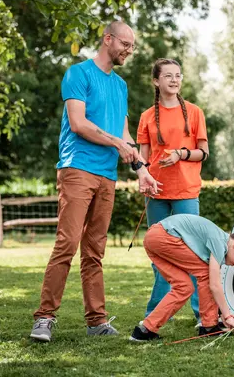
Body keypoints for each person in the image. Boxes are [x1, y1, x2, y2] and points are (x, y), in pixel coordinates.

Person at [30, 21, 161, 342]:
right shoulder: (78, 74)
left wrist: (142, 169)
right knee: (67, 244)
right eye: (126, 44)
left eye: (133, 46)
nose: (129, 51)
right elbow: (78, 123)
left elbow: (125, 135)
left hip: (107, 176)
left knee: (94, 251)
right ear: (108, 39)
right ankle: (45, 317)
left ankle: (96, 321)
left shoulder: (120, 86)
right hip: (77, 169)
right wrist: (116, 144)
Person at [136, 58, 210, 326]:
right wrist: (142, 178)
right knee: (159, 257)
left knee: (194, 255)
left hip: (187, 193)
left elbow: (204, 152)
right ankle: (154, 315)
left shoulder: (194, 112)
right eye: (168, 76)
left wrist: (180, 154)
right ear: (156, 81)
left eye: (178, 75)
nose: (175, 80)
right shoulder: (146, 117)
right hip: (156, 194)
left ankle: (203, 315)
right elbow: (143, 159)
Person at [129, 214, 234, 342]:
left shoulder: (223, 244)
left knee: (184, 287)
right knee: (206, 273)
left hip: (153, 238)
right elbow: (214, 285)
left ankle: (144, 331)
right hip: (163, 235)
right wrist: (227, 316)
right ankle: (209, 327)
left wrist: (222, 313)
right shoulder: (220, 241)